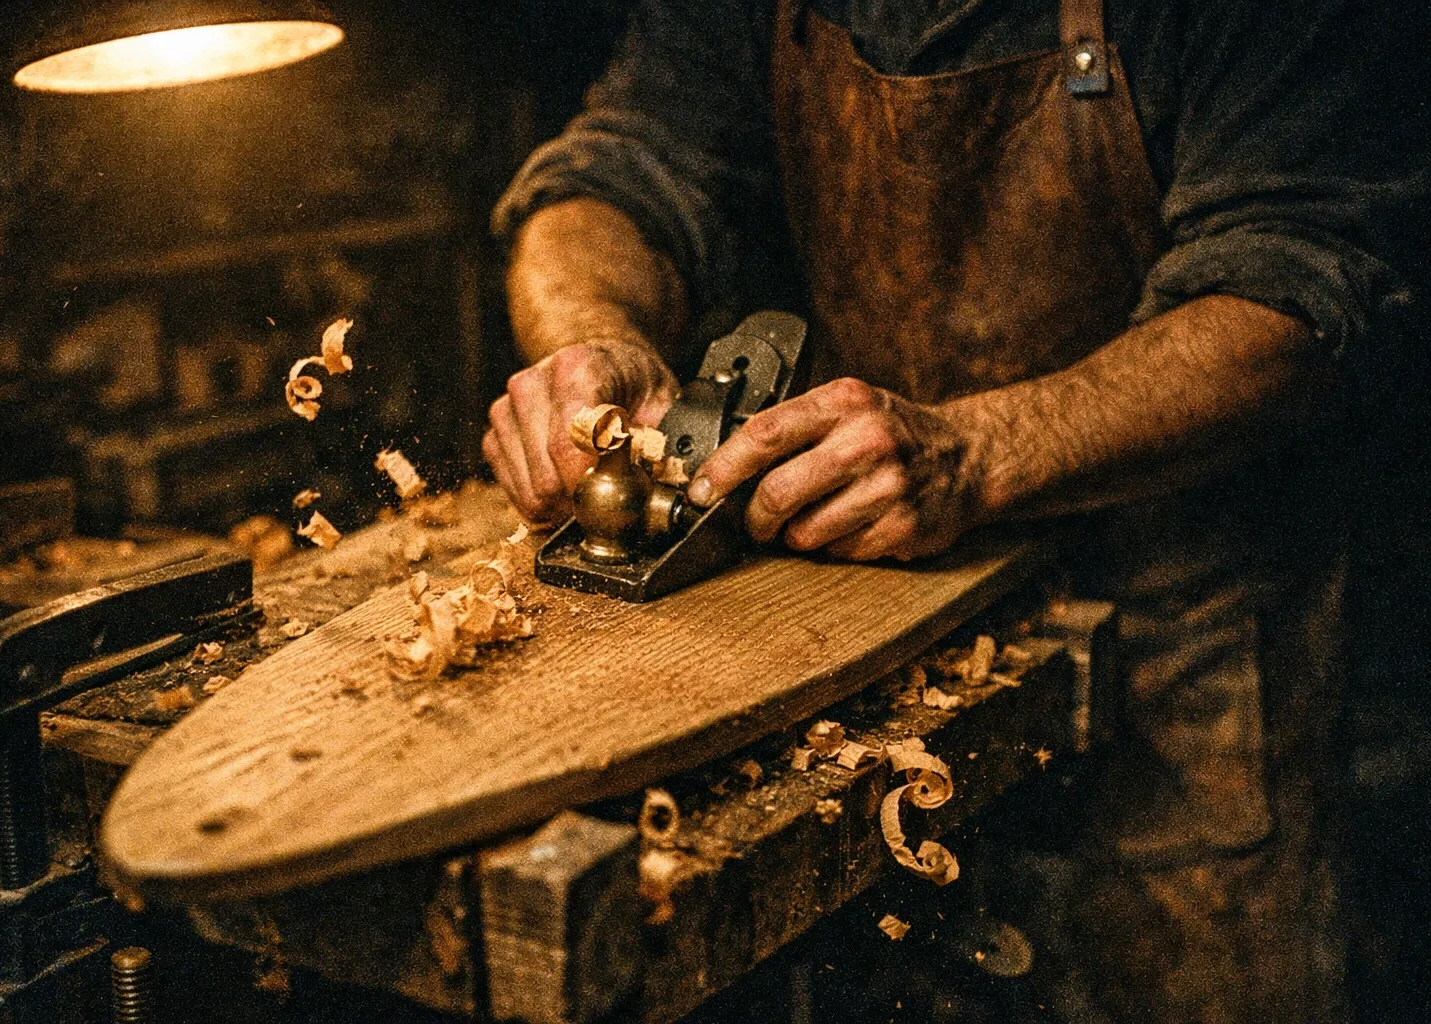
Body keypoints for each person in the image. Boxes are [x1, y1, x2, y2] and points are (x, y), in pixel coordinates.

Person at [482, 1, 1426, 1019]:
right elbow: (618, 170)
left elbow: (1296, 281)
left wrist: (983, 451)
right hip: (863, 630)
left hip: (1187, 657)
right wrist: (585, 334)